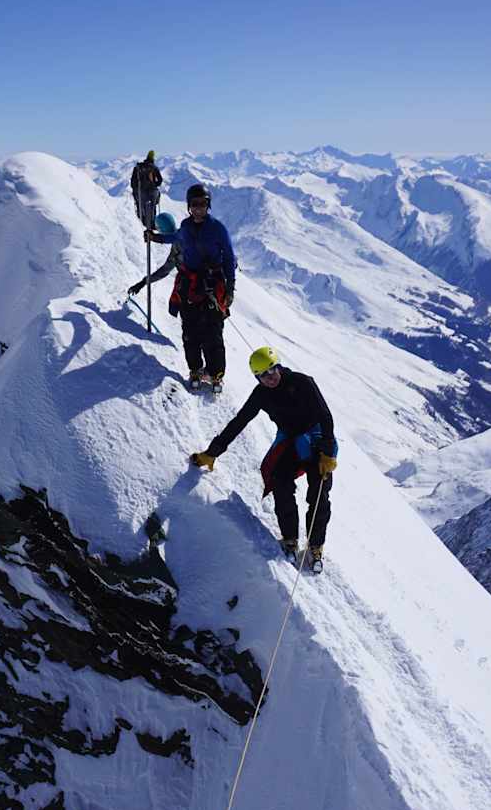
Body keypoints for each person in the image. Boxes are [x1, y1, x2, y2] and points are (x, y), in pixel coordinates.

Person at [189, 347, 338, 570]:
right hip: (291, 441)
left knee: (319, 493)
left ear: (279, 366)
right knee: (280, 480)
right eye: (263, 375)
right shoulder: (261, 394)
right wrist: (213, 452)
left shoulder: (303, 382)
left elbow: (325, 416)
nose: (270, 378)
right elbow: (239, 422)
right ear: (257, 378)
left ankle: (316, 546)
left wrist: (327, 452)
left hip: (317, 439)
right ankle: (290, 539)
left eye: (273, 370)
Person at [146, 183, 236, 392]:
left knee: (213, 333)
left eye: (202, 204)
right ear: (189, 206)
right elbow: (175, 238)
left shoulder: (218, 229)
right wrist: (155, 237)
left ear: (208, 205)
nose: (198, 208)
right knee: (190, 332)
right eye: (194, 204)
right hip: (190, 286)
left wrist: (230, 288)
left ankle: (215, 373)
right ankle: (195, 369)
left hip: (212, 285)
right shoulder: (186, 227)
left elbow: (229, 258)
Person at [130, 150, 163, 228]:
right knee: (153, 206)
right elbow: (160, 180)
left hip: (141, 192)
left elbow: (133, 181)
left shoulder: (138, 167)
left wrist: (135, 191)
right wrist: (155, 184)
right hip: (152, 191)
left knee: (140, 205)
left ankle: (142, 220)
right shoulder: (154, 168)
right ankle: (152, 223)